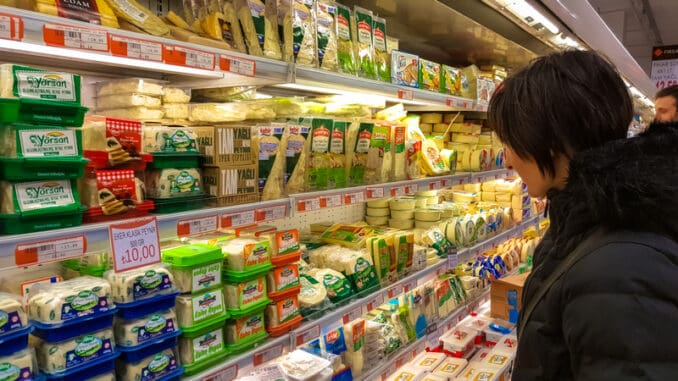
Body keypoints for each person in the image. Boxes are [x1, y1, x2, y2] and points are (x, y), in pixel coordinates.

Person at [488, 50, 678, 380]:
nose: (507, 160)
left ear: (550, 141)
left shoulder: (621, 269)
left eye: (511, 141)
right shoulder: (585, 221)